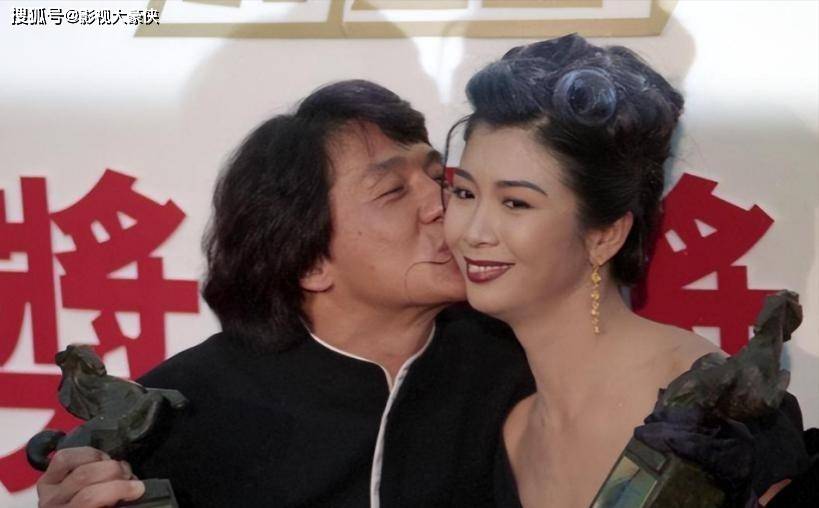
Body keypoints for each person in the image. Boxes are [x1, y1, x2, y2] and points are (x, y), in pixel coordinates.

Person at [35, 80, 534, 507]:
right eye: (393, 191)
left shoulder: (517, 364)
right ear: (310, 260)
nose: (442, 203)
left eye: (437, 176)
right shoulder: (178, 415)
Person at [442, 34, 812, 507]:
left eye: (515, 203)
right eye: (465, 193)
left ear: (605, 235)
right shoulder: (513, 433)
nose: (473, 232)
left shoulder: (711, 414)